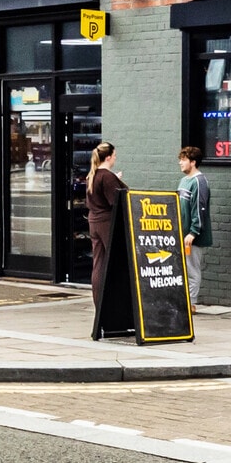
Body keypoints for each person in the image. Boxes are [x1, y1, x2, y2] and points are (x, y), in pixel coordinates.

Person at [86, 141, 127, 338]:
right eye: (115, 155)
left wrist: (115, 180)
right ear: (109, 157)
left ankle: (99, 306)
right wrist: (117, 183)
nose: (116, 158)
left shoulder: (93, 175)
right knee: (116, 263)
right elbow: (115, 202)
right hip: (107, 223)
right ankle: (112, 305)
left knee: (99, 263)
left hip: (94, 222)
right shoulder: (107, 177)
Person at [177, 146, 213, 305]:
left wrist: (193, 232)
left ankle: (191, 303)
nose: (180, 163)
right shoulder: (184, 181)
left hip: (192, 237)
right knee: (183, 269)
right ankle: (185, 301)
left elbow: (200, 208)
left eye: (183, 160)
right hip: (182, 234)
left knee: (192, 270)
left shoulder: (199, 182)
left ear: (193, 162)